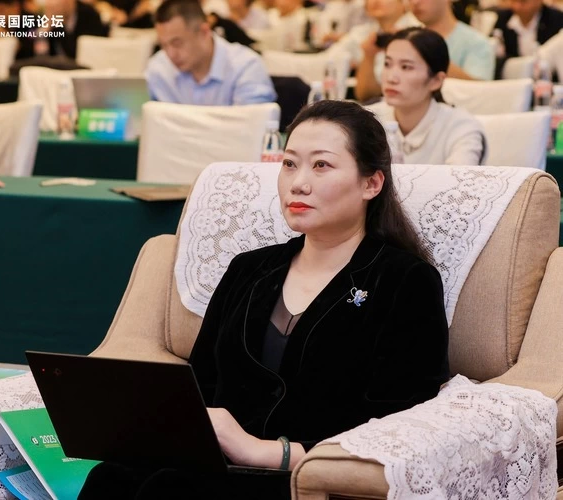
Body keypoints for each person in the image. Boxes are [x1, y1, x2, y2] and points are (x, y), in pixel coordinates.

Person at [78, 99, 450, 499]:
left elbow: (400, 426)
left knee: (171, 489)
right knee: (110, 477)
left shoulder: (405, 280)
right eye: (290, 164)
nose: (298, 183)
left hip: (312, 479)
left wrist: (266, 451)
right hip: (214, 464)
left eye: (321, 165)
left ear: (371, 184)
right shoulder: (249, 269)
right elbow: (202, 383)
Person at [368, 27, 485, 165]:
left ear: (436, 81)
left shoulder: (461, 127)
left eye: (406, 67)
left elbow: (460, 177)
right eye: (387, 64)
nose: (391, 78)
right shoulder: (368, 119)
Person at [356, 0, 494, 101]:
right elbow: (367, 95)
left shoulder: (476, 42)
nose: (415, 2)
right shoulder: (404, 39)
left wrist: (428, 53)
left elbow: (480, 93)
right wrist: (369, 56)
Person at [146, 0, 276, 105]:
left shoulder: (246, 68)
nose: (170, 54)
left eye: (177, 43)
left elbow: (253, 126)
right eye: (164, 45)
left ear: (204, 32)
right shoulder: (158, 69)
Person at [326, 0, 419, 67]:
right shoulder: (363, 32)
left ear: (404, 3)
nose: (376, 1)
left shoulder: (417, 31)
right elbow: (330, 58)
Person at [493, 0, 563, 58]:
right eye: (513, 1)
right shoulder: (504, 18)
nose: (517, 6)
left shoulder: (556, 20)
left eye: (523, 2)